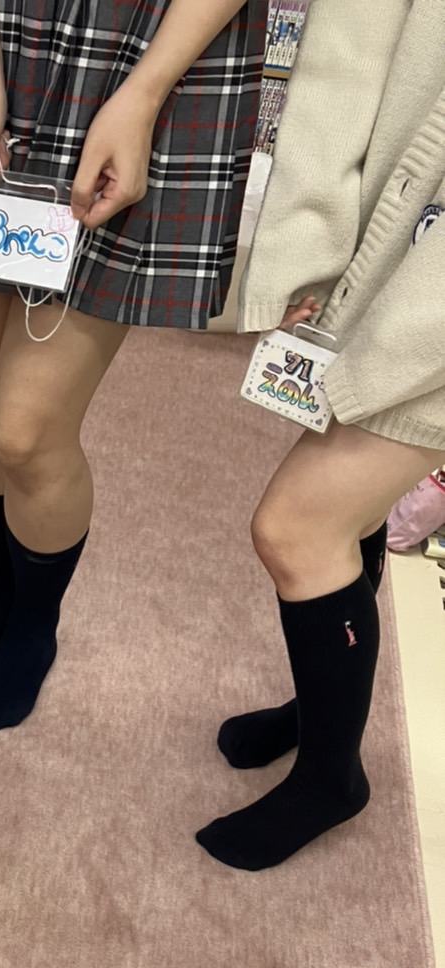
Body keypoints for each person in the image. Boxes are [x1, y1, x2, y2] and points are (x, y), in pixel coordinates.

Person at [0, 0, 266, 730]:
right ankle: (1, 605)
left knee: (27, 429)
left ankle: (33, 629)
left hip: (144, 46)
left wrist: (145, 91)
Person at [196, 0, 445, 870]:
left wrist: (387, 345)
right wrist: (311, 261)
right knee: (354, 517)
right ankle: (321, 712)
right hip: (395, 257)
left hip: (429, 307)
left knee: (297, 526)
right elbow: (340, 70)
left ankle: (332, 776)